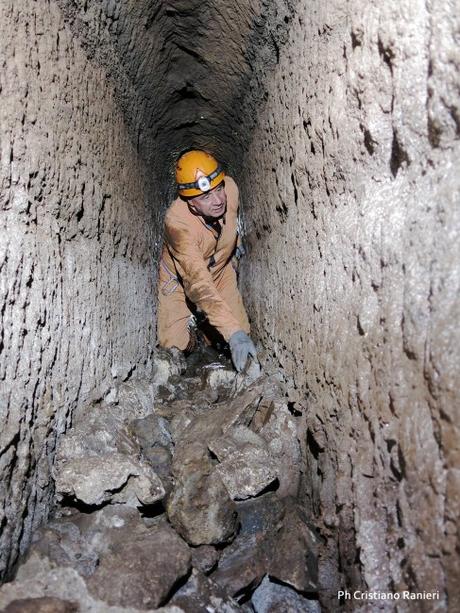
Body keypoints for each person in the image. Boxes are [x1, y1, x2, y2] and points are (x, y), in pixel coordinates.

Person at [157, 149, 258, 372]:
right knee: (173, 346)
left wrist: (236, 243)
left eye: (218, 189)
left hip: (220, 270)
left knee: (242, 335)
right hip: (182, 281)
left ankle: (210, 331)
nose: (218, 200)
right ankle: (195, 336)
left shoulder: (230, 188)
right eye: (206, 197)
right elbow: (198, 284)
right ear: (192, 204)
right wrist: (232, 332)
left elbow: (229, 221)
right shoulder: (177, 224)